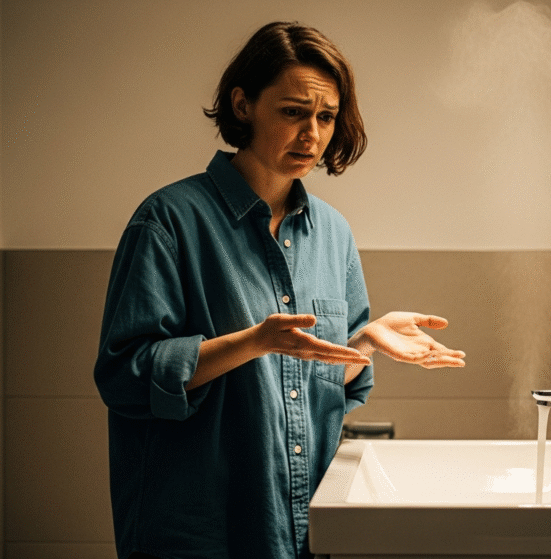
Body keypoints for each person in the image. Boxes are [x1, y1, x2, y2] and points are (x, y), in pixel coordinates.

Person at [93, 21, 465, 559]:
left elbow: (323, 383)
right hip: (200, 533)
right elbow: (124, 376)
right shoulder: (168, 221)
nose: (311, 134)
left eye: (326, 116)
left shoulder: (333, 234)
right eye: (293, 111)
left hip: (298, 529)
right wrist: (253, 342)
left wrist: (364, 342)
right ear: (243, 105)